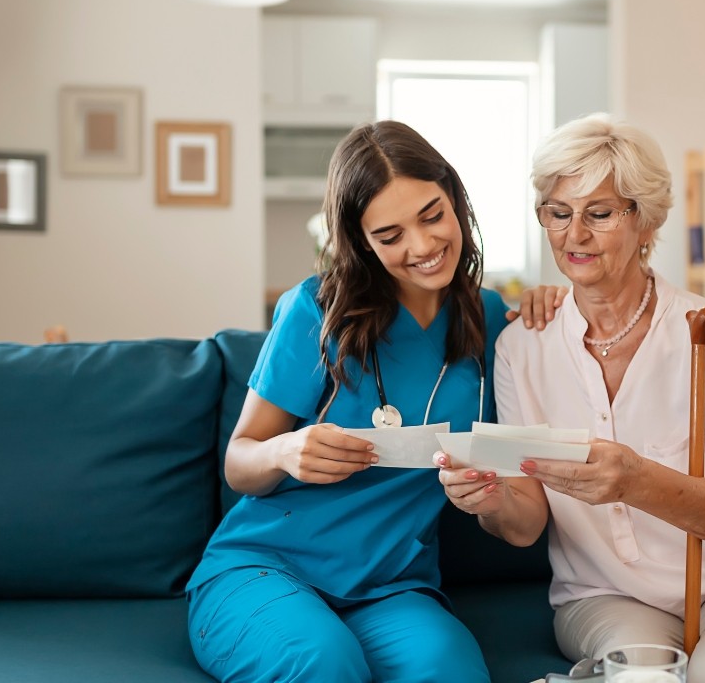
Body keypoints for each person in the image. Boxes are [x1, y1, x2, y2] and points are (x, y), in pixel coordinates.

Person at [436, 113, 705, 683]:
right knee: (639, 678)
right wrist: (489, 500)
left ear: (645, 222)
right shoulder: (522, 345)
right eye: (558, 213)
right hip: (604, 595)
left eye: (599, 213)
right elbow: (524, 525)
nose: (575, 236)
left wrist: (634, 480)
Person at [187, 120, 524, 683]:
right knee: (323, 662)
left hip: (390, 587)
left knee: (450, 670)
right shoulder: (316, 312)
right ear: (362, 241)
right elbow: (239, 461)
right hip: (266, 568)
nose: (421, 246)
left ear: (456, 200)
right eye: (389, 236)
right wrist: (283, 452)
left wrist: (551, 301)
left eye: (432, 215)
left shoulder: (492, 321)